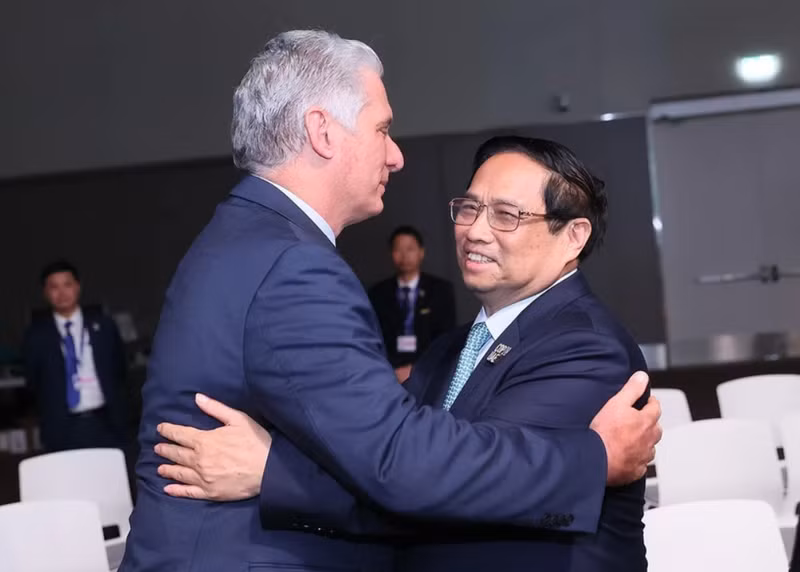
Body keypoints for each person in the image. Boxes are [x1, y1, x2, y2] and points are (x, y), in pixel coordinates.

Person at [120, 30, 660, 571]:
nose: (397, 155)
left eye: (506, 215)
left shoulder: (585, 347)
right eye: (469, 208)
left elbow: (433, 486)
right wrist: (596, 459)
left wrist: (272, 472)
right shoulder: (308, 272)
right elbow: (402, 469)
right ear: (322, 131)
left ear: (573, 237)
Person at [22, 260, 129, 454]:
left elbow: (120, 369)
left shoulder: (104, 326)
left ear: (78, 287)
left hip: (105, 422)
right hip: (61, 428)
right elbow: (33, 381)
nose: (62, 293)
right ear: (45, 293)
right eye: (54, 287)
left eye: (67, 285)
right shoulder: (36, 336)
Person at [368, 226, 456, 380]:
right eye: (398, 249)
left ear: (421, 252)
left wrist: (417, 368)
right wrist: (393, 370)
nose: (404, 256)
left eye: (410, 249)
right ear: (391, 253)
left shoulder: (440, 290)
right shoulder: (378, 292)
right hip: (388, 372)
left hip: (429, 371)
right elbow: (374, 336)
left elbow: (446, 337)